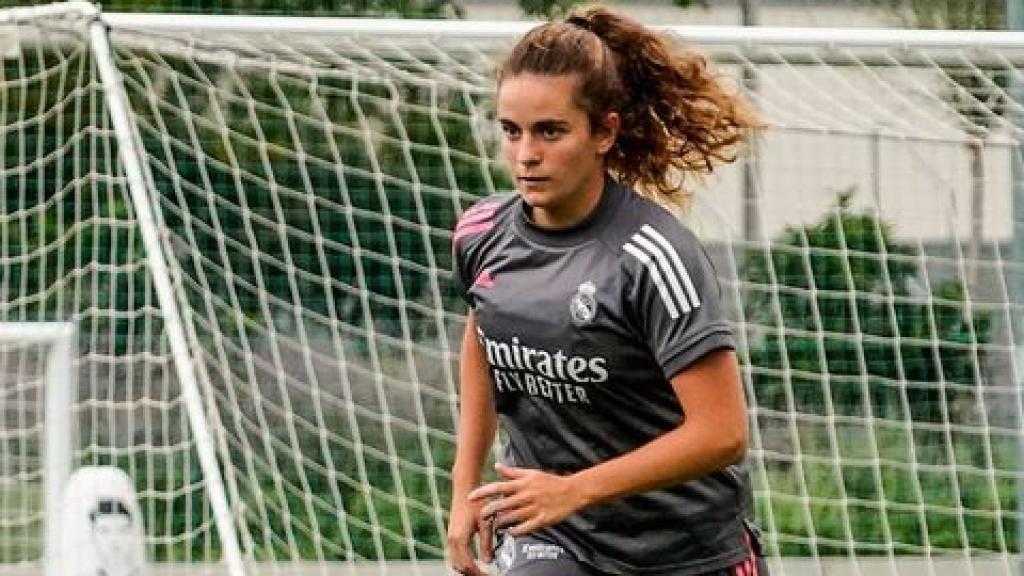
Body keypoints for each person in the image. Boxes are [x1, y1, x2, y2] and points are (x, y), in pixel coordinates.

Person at [447, 5, 765, 575]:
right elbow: (484, 335)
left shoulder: (652, 258)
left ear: (605, 133)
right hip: (558, 536)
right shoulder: (480, 234)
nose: (526, 155)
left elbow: (722, 433)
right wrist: (464, 486)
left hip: (685, 552)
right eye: (511, 131)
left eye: (551, 131)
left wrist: (576, 488)